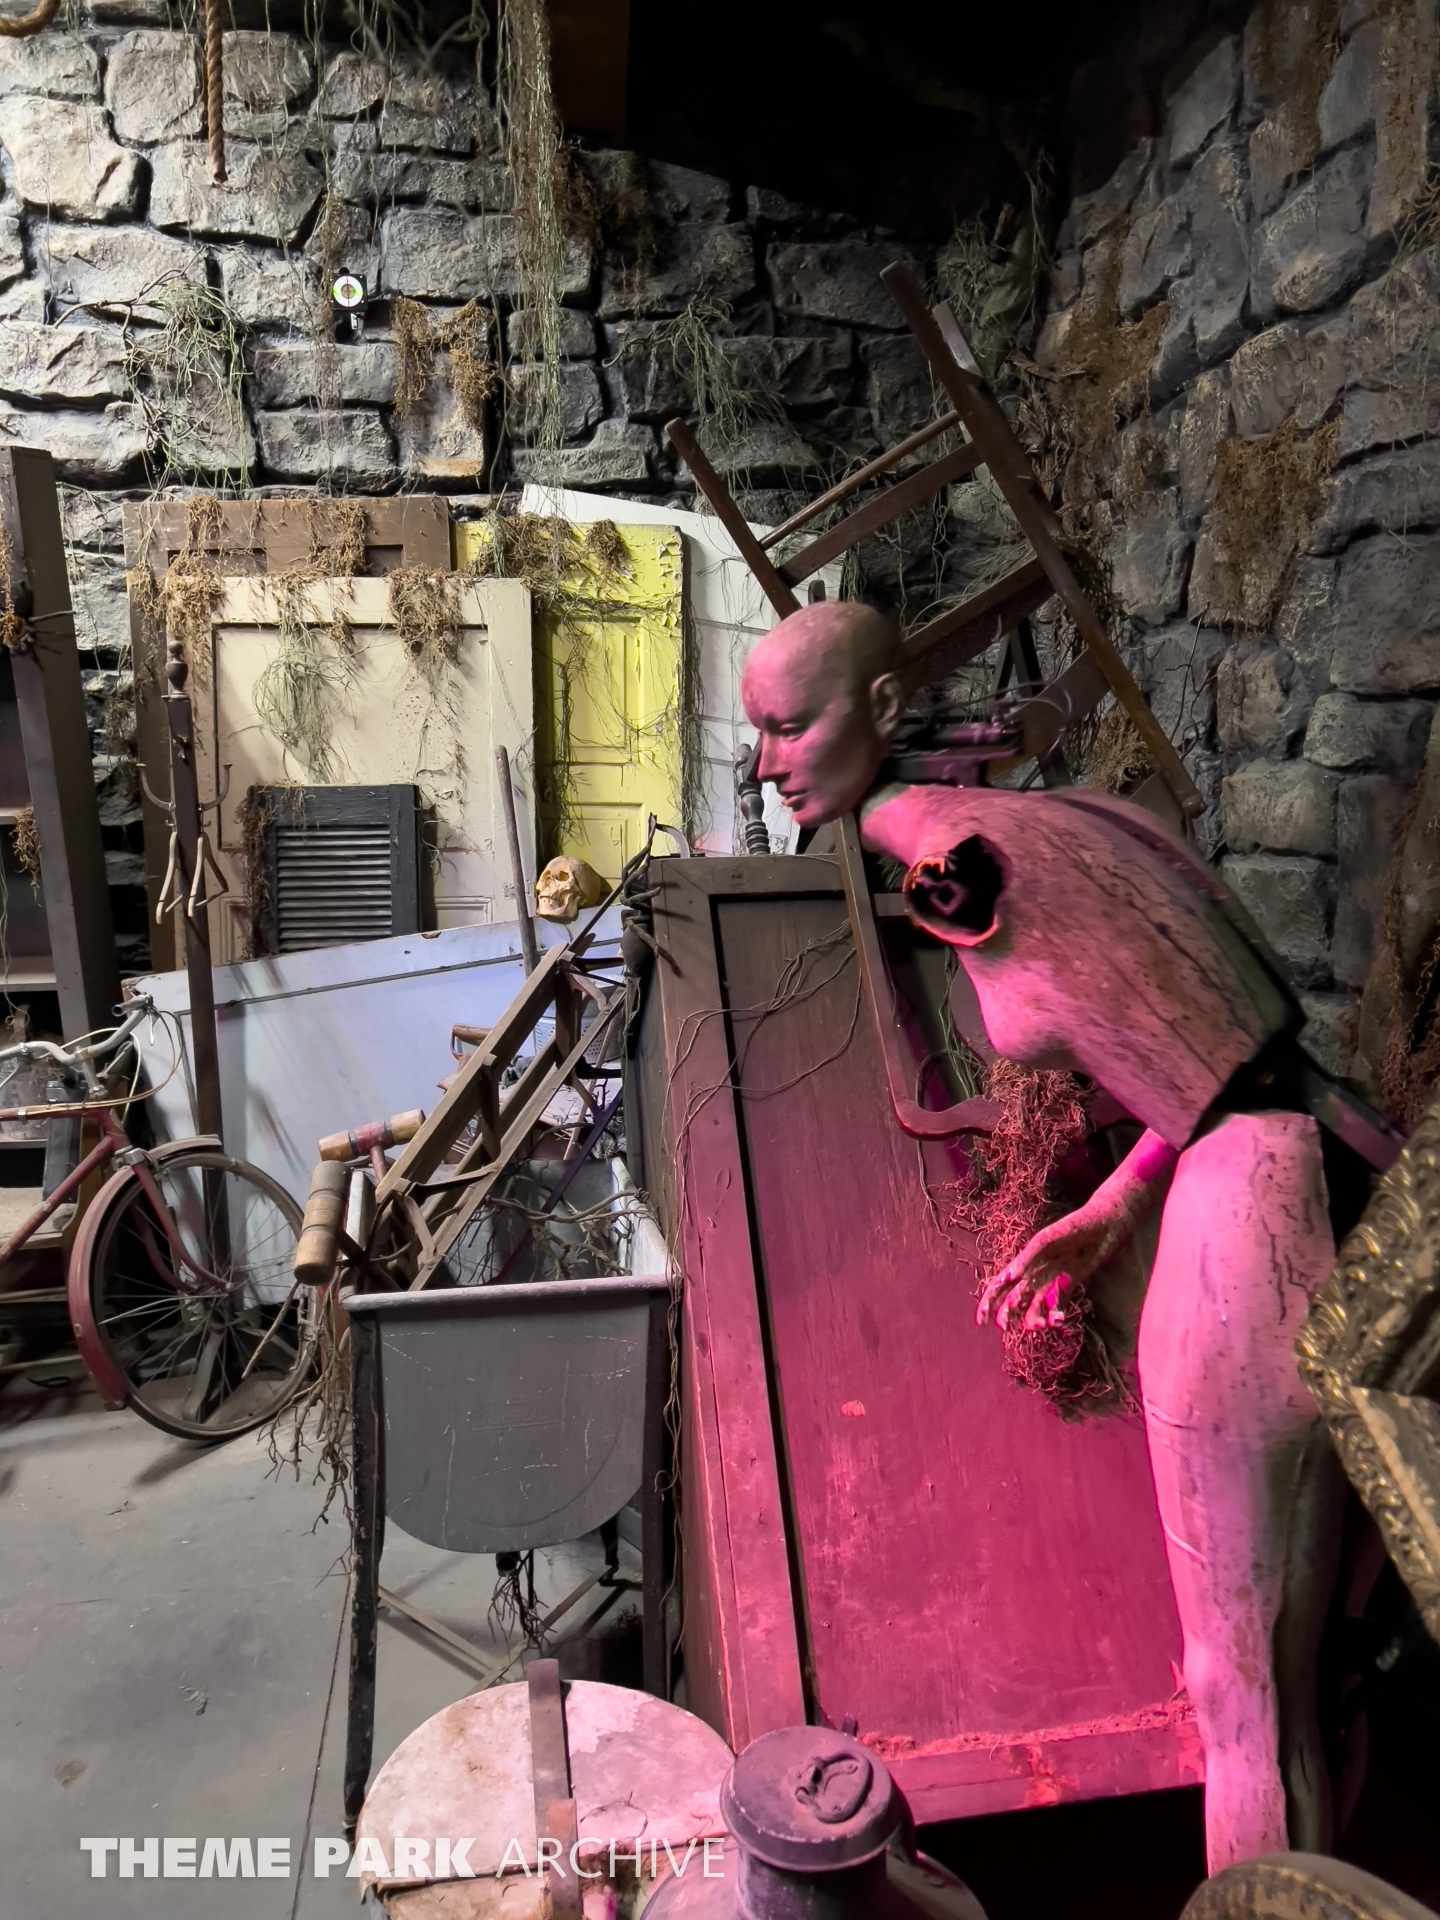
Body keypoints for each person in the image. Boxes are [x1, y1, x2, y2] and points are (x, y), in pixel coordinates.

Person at [741, 598, 1342, 1873]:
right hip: (1233, 1176)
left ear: (882, 708)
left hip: (1253, 1212)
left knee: (1244, 1696)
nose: (765, 764)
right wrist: (1113, 1206)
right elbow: (1206, 1058)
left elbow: (1241, 1064)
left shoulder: (972, 861)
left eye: (789, 727)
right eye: (760, 734)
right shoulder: (991, 837)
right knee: (1249, 1680)